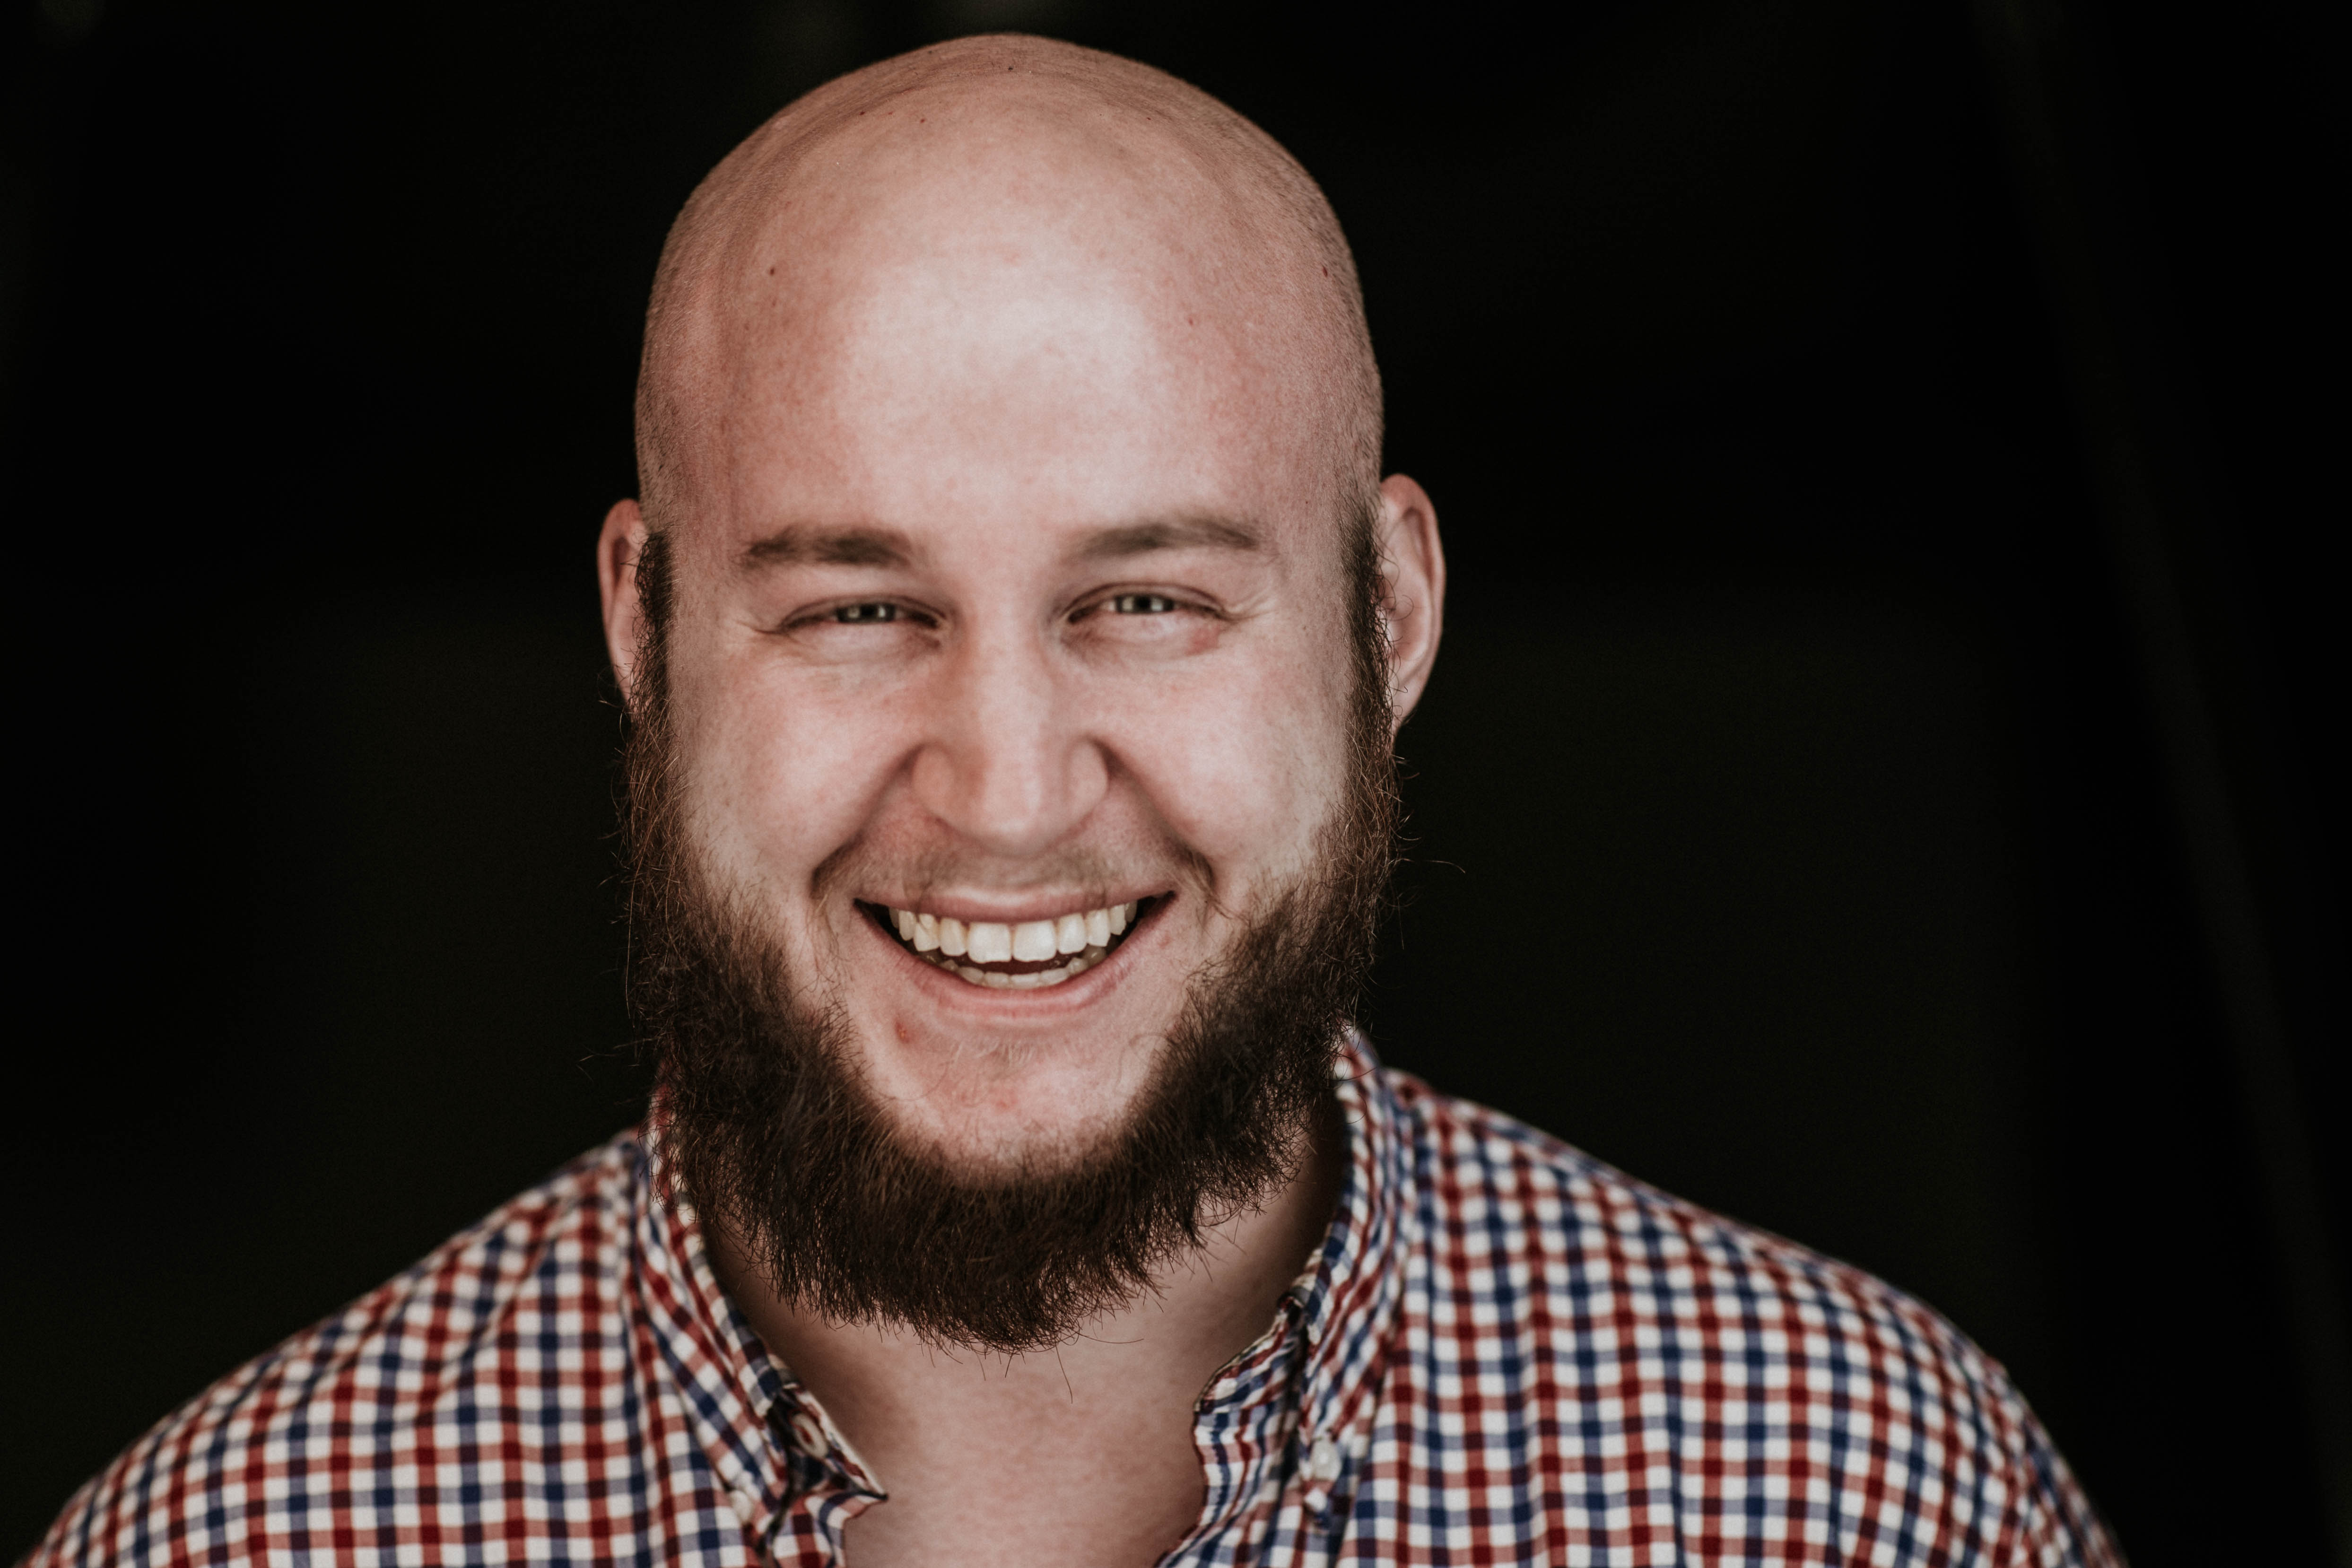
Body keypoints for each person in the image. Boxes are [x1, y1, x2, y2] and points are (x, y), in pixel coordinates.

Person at [31, 35, 2122, 1568]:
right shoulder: (230, 1540)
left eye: (1145, 601)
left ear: (1389, 613)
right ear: (643, 630)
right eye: (859, 608)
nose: (1009, 792)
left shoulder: (1864, 1496)